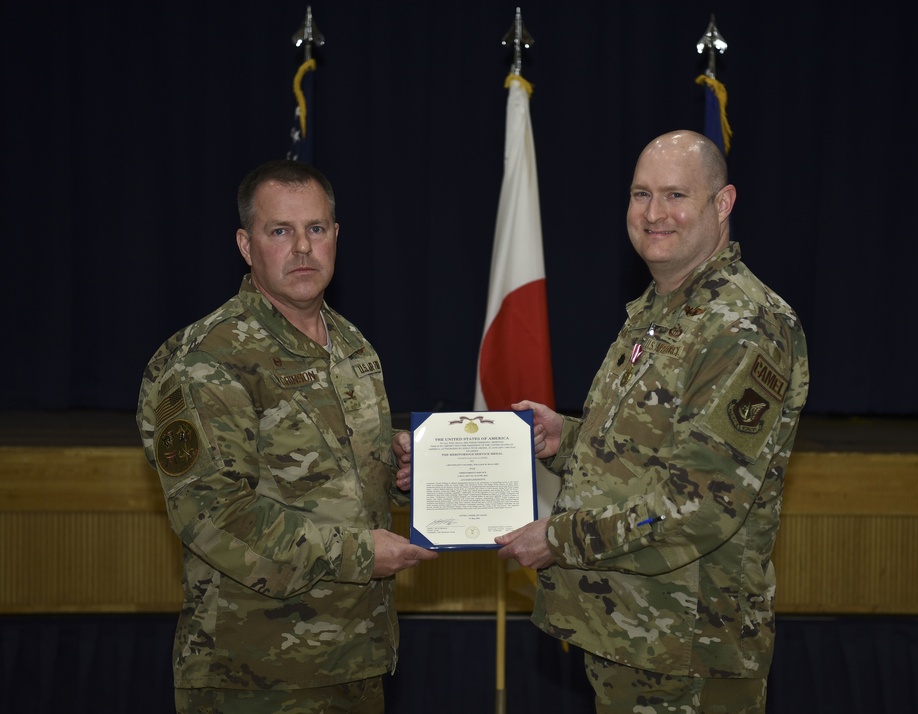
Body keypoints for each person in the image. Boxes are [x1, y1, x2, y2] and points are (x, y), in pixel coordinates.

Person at [493, 130, 810, 713]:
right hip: (636, 633)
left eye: (675, 195)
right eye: (641, 194)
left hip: (689, 649)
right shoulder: (661, 310)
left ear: (723, 203)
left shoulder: (741, 326)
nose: (654, 213)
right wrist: (567, 438)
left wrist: (557, 539)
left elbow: (701, 505)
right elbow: (648, 452)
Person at [136, 159, 437, 714]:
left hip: (357, 658)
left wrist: (401, 470)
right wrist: (357, 553)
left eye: (315, 230)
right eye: (281, 231)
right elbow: (212, 514)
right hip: (255, 674)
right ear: (246, 245)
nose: (302, 248)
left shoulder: (351, 345)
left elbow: (334, 474)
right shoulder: (208, 358)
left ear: (336, 237)